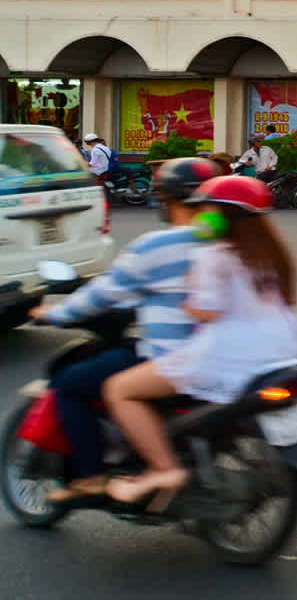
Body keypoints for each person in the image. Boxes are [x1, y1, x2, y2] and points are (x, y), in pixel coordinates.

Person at [101, 175, 297, 507]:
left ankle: (163, 468)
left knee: (119, 389)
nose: (201, 216)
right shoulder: (275, 253)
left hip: (226, 357)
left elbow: (204, 312)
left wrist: (185, 300)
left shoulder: (216, 254)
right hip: (285, 353)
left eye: (207, 208)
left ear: (222, 213)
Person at [30, 157, 216, 503]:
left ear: (166, 198)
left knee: (71, 384)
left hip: (171, 358)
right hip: (227, 356)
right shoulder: (227, 241)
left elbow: (102, 294)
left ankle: (90, 475)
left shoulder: (156, 246)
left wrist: (54, 314)